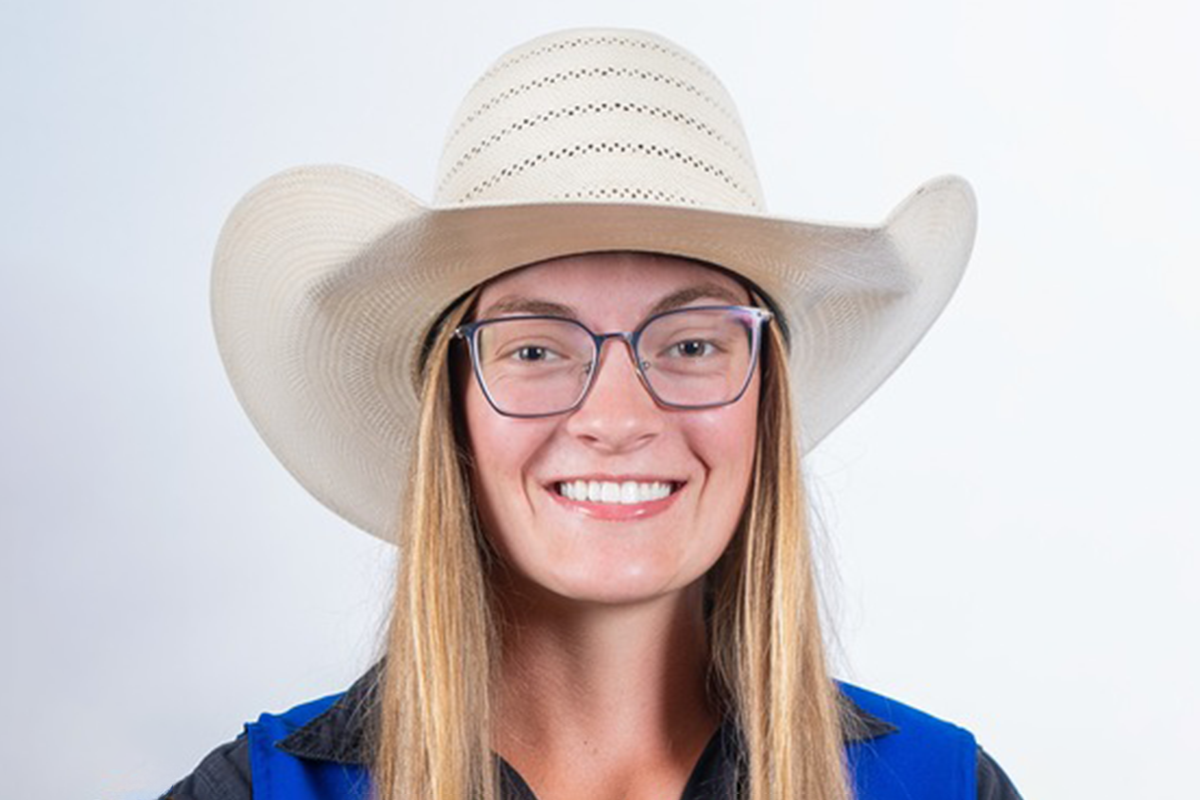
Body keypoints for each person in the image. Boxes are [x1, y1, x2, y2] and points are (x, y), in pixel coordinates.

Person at [162, 28, 1022, 800]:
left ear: (767, 405)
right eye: (535, 349)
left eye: (691, 344)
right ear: (453, 415)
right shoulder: (262, 792)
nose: (617, 417)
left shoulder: (942, 787)